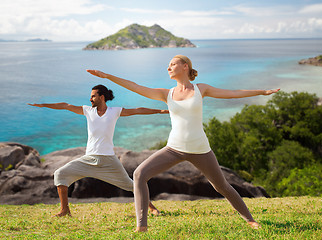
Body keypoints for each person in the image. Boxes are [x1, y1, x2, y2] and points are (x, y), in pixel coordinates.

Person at [87, 55, 280, 232]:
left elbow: (232, 93)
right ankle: (142, 226)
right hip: (174, 148)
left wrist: (262, 91)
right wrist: (107, 76)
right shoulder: (166, 94)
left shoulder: (200, 89)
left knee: (221, 186)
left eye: (172, 64)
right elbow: (135, 86)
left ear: (185, 66)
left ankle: (250, 219)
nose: (168, 67)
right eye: (168, 65)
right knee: (139, 174)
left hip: (200, 149)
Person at [28, 84, 168, 217]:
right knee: (60, 174)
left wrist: (161, 111)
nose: (90, 99)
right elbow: (66, 106)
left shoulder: (114, 112)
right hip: (88, 159)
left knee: (132, 185)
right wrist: (43, 105)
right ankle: (65, 210)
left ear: (102, 97)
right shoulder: (88, 111)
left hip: (109, 160)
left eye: (93, 96)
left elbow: (138, 110)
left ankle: (152, 208)